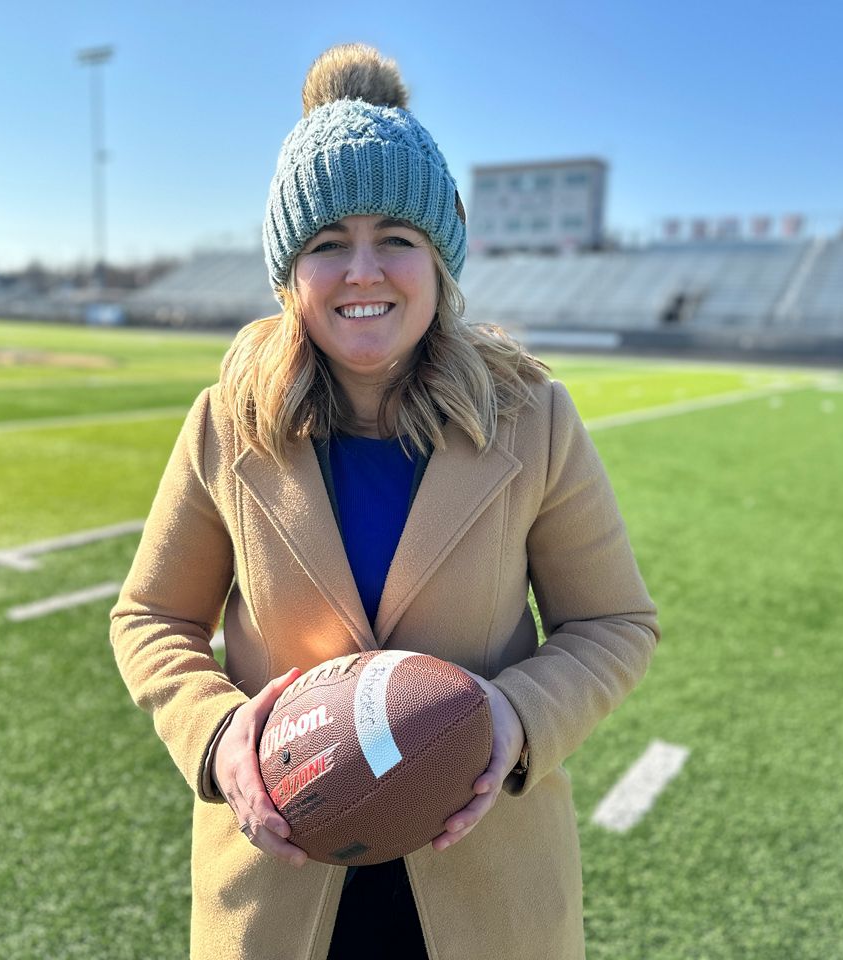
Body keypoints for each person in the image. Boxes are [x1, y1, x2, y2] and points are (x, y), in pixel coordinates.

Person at [110, 43, 659, 960]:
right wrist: (217, 737)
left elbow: (613, 622)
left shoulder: (535, 418)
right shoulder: (226, 424)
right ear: (290, 274)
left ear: (441, 258)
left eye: (395, 239)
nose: (363, 272)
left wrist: (512, 718)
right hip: (278, 883)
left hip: (486, 889)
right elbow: (151, 615)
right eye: (328, 244)